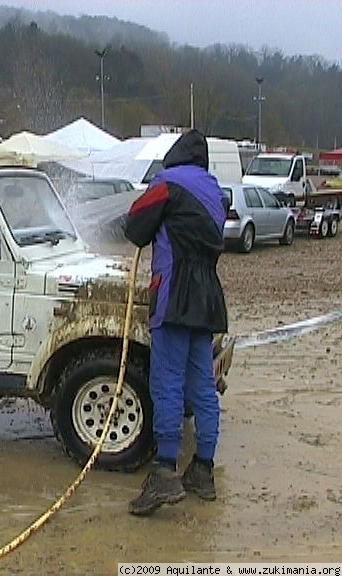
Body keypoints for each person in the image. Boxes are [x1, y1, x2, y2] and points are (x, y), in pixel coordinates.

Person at [123, 129, 229, 516]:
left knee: (166, 380)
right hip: (208, 298)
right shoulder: (215, 191)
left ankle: (164, 472)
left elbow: (134, 226)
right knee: (202, 383)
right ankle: (203, 468)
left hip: (174, 294)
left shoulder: (167, 183)